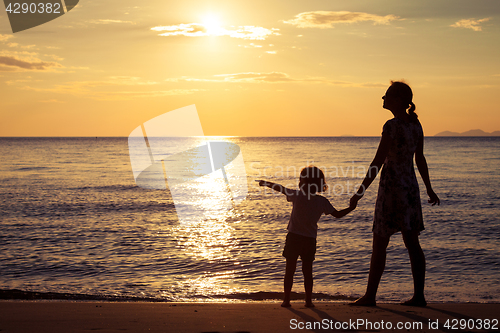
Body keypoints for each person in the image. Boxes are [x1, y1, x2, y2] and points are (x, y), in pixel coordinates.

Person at [350, 81, 440, 307]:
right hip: (409, 189)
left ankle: (370, 296)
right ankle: (419, 296)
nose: (383, 98)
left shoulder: (391, 126)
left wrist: (359, 192)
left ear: (399, 99)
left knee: (380, 243)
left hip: (391, 190)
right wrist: (429, 188)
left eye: (387, 95)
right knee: (412, 243)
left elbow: (378, 162)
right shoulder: (416, 125)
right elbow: (419, 160)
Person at [257, 166, 355, 308]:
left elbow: (280, 188)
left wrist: (266, 183)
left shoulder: (297, 195)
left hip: (294, 238)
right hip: (309, 240)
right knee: (307, 271)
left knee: (289, 270)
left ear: (303, 182)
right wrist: (351, 208)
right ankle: (308, 301)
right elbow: (338, 215)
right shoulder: (322, 201)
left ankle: (287, 300)